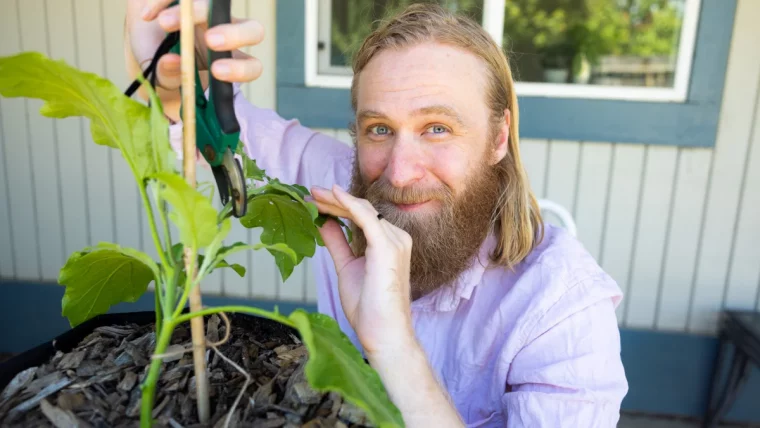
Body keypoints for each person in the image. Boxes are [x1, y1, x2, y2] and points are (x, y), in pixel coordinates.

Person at [125, 1, 629, 426]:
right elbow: (220, 137)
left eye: (437, 128)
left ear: (498, 137)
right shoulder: (343, 187)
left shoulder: (562, 309)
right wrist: (173, 82)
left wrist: (393, 348)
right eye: (380, 129)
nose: (401, 172)